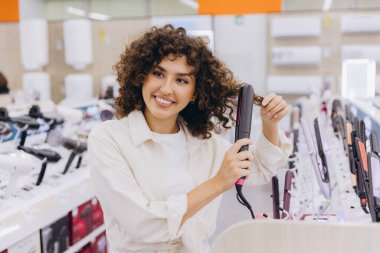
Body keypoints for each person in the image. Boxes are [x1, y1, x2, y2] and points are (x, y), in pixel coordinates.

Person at [88, 24, 292, 253]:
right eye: (158, 73)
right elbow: (143, 225)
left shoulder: (206, 145)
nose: (166, 89)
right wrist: (217, 183)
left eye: (181, 80)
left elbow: (261, 168)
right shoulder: (109, 139)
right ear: (141, 76)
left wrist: (270, 124)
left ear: (195, 92)